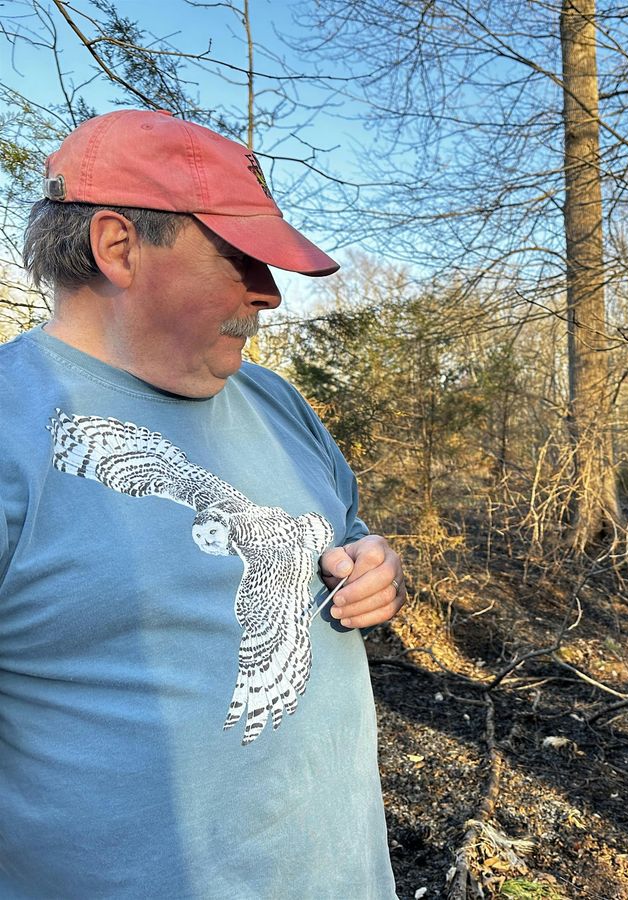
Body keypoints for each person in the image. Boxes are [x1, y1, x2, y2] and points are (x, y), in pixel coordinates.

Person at [1, 109, 403, 896]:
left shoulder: (276, 402)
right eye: (241, 258)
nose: (269, 294)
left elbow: (351, 534)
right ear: (117, 246)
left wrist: (378, 566)